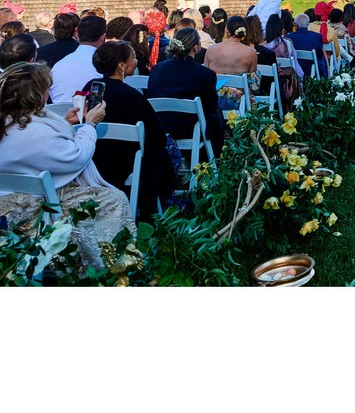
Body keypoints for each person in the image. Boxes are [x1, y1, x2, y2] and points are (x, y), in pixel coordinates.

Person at [0, 62, 134, 268]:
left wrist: (67, 123)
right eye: (46, 87)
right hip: (35, 214)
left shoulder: (10, 120)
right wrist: (89, 125)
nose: (49, 92)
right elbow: (75, 156)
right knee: (114, 199)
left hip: (8, 206)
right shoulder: (34, 131)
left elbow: (42, 148)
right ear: (36, 93)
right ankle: (111, 266)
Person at [84, 41, 175, 220]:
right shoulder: (131, 96)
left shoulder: (91, 87)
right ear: (121, 65)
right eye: (133, 57)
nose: (136, 61)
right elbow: (154, 136)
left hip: (93, 158)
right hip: (124, 161)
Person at [148, 28, 225, 157]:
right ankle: (214, 158)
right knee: (217, 113)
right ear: (196, 47)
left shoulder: (157, 69)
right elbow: (211, 106)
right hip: (189, 128)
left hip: (160, 125)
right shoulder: (205, 74)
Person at [50, 15, 107, 103]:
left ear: (77, 34)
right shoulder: (105, 67)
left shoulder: (58, 66)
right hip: (92, 114)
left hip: (59, 114)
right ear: (103, 37)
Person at [265, 15, 302, 110]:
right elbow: (295, 65)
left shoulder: (263, 47)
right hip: (286, 83)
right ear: (281, 30)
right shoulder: (287, 44)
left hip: (266, 84)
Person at [286, 14, 327, 78]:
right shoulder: (317, 37)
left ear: (296, 25)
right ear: (308, 24)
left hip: (295, 67)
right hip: (312, 67)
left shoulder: (289, 37)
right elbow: (319, 54)